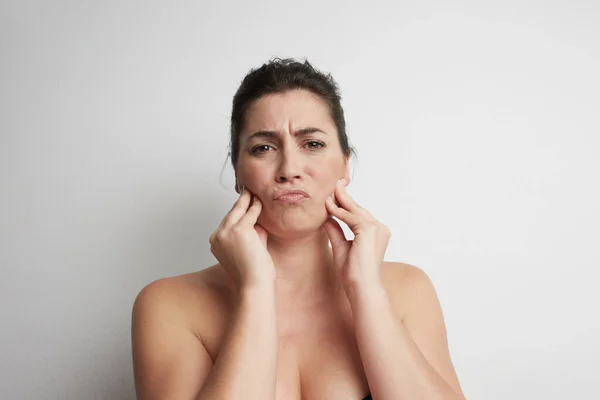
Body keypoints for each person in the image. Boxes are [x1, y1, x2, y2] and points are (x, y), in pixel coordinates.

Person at [131, 57, 466, 400]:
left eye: (313, 144)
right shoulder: (170, 305)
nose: (289, 168)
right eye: (264, 148)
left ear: (345, 165)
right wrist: (256, 290)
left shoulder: (407, 290)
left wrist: (366, 290)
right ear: (237, 173)